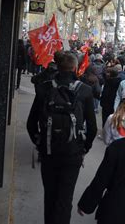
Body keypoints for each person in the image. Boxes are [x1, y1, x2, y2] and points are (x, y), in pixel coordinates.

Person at [26, 51, 97, 224]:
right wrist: (83, 148)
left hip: (48, 152)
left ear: (57, 66)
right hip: (72, 154)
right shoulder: (85, 91)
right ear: (75, 67)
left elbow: (30, 123)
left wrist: (40, 142)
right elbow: (93, 128)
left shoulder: (44, 88)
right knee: (65, 199)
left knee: (50, 196)